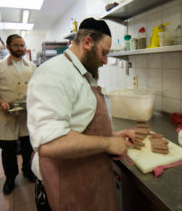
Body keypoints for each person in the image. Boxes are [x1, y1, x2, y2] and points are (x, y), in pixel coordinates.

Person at [27, 18, 136, 211]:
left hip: (88, 182)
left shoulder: (81, 74)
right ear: (87, 42)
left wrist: (112, 136)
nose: (105, 61)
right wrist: (108, 143)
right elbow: (50, 143)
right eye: (104, 53)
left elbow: (78, 123)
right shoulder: (54, 74)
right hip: (66, 186)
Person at [0, 34, 37, 195]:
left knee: (28, 147)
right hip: (6, 114)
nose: (20, 48)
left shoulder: (31, 66)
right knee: (8, 150)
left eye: (22, 45)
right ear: (8, 47)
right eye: (16, 45)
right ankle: (10, 178)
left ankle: (28, 171)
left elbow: (36, 88)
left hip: (26, 114)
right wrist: (1, 102)